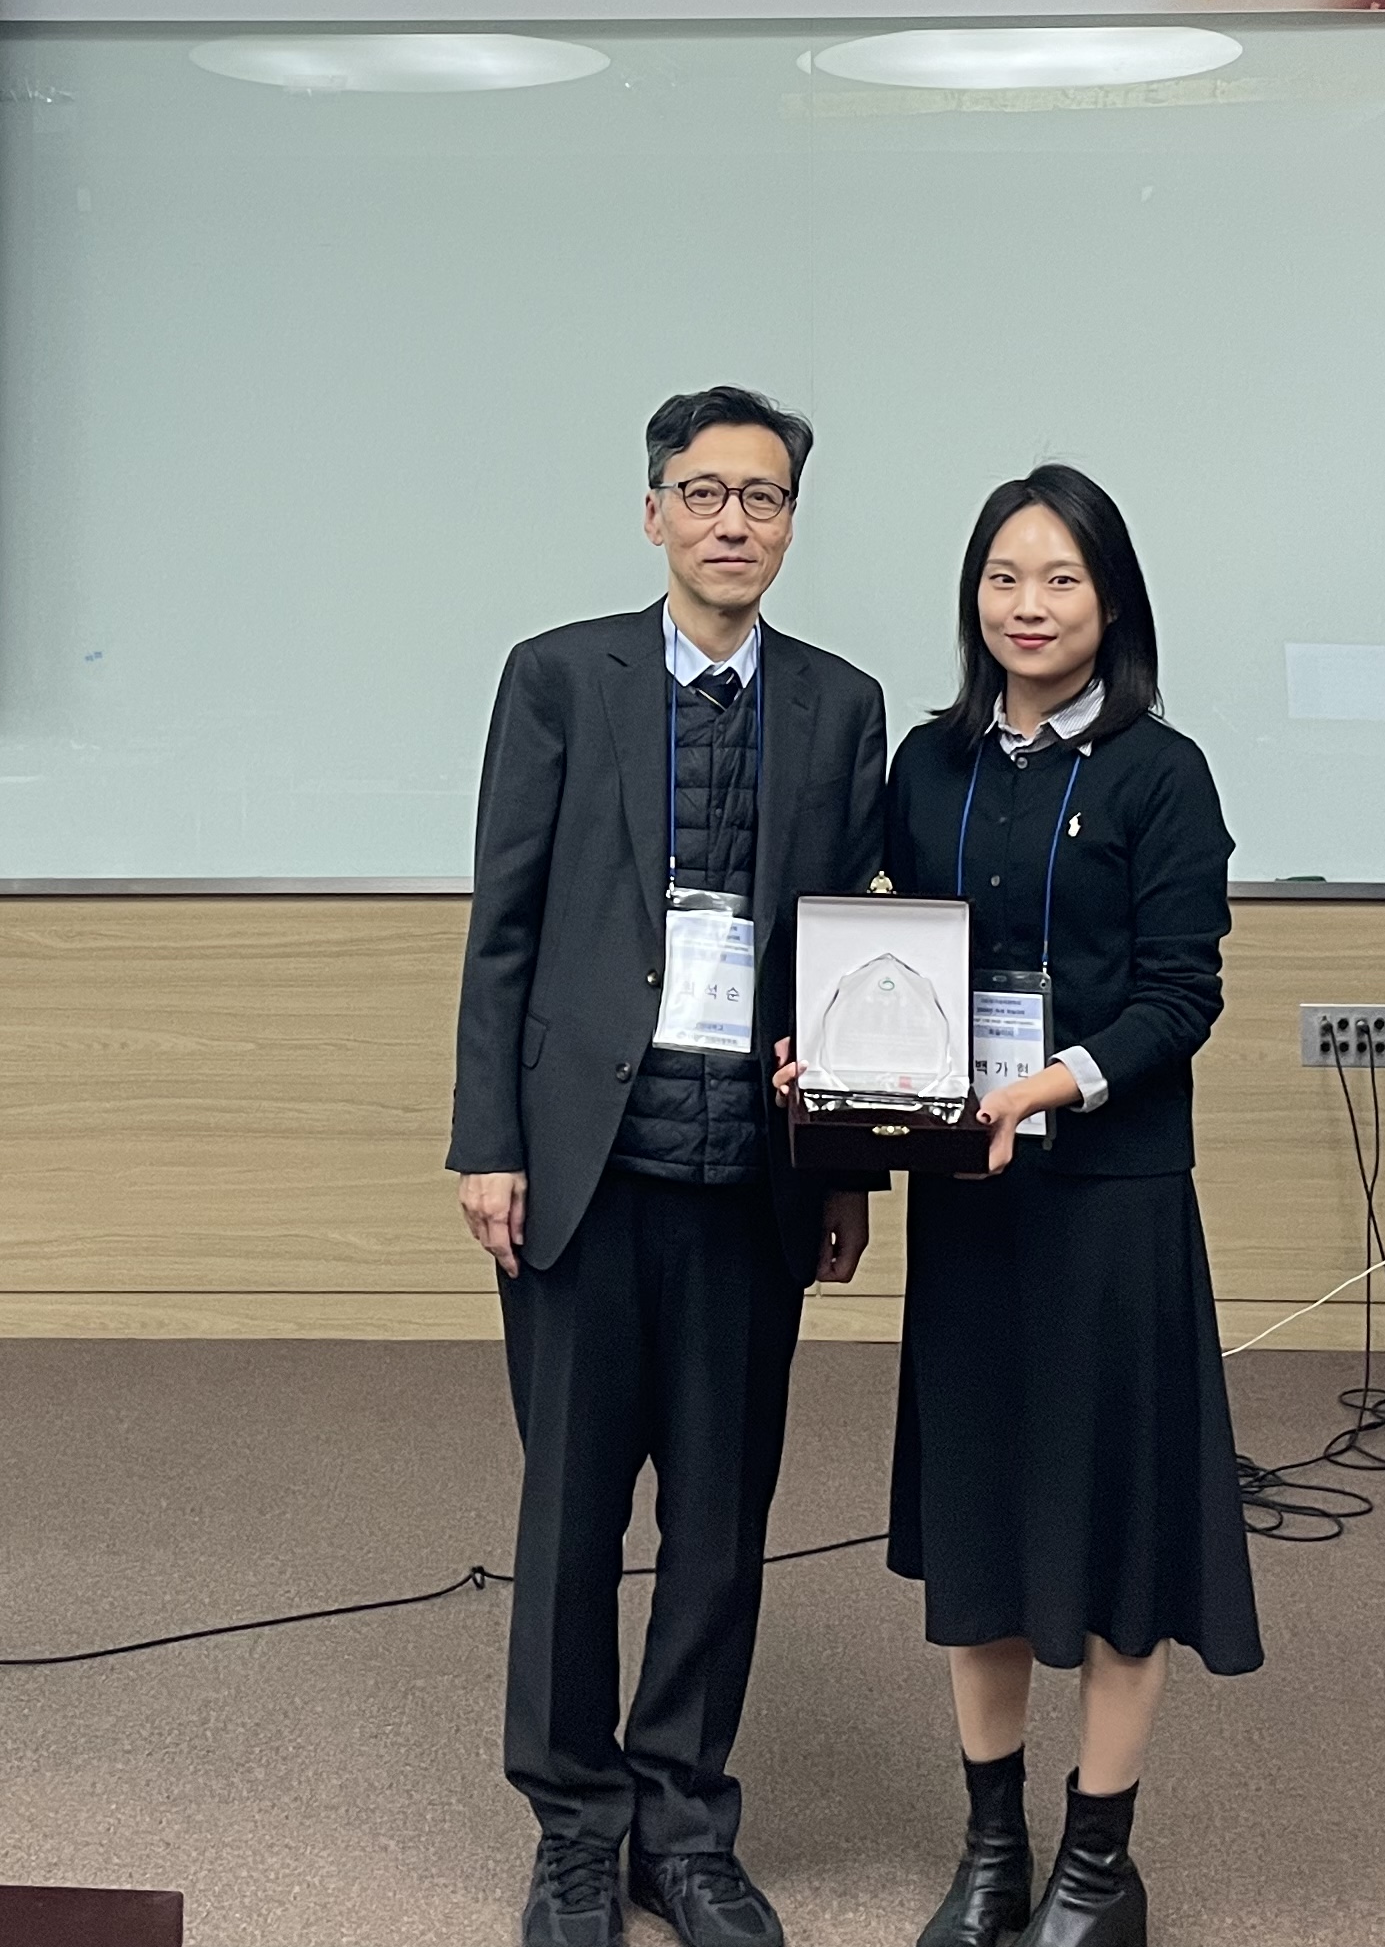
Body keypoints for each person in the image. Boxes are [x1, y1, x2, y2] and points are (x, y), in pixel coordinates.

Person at [449, 387, 891, 1947]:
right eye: (704, 493)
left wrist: (844, 1171)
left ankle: (685, 1824)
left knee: (719, 1522)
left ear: (791, 524)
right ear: (654, 513)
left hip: (749, 1185)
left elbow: (847, 955)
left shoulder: (841, 705)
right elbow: (503, 924)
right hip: (585, 1173)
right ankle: (577, 1826)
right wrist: (487, 1142)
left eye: (762, 498)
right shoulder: (562, 677)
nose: (731, 522)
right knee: (571, 1520)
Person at [796, 465, 1257, 1947]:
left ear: (1110, 601)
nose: (1029, 606)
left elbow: (1183, 996)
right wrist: (833, 1070)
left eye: (1060, 579)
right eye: (1004, 577)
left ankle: (1096, 1868)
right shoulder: (929, 765)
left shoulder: (1161, 771)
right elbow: (871, 944)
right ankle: (992, 1849)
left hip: (1111, 1204)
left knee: (1119, 1537)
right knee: (981, 1526)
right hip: (972, 1205)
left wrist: (1045, 1089)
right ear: (974, 598)